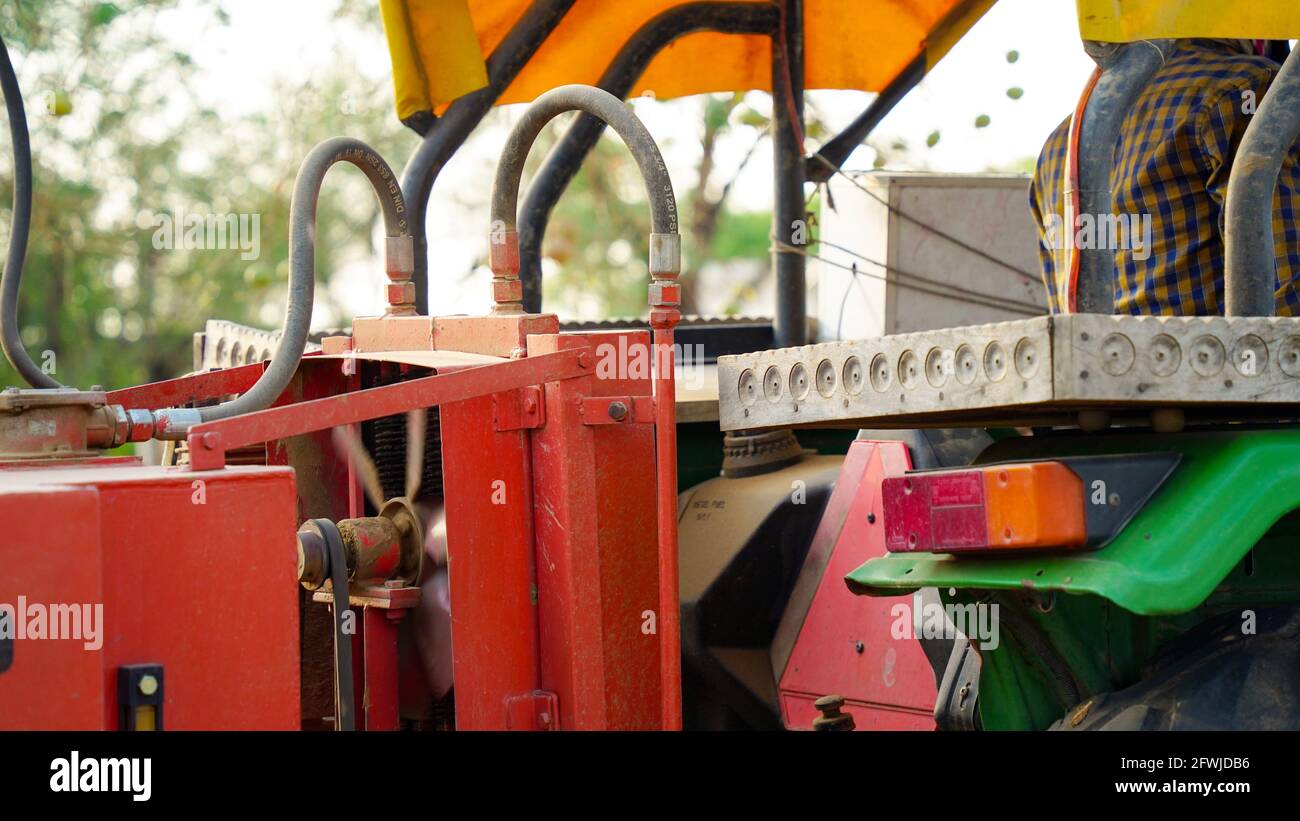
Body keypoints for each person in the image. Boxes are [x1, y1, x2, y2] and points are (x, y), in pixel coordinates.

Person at [1029, 38, 1300, 316]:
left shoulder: (1060, 144)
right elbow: (1290, 298)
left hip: (1092, 357)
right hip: (1217, 358)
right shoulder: (1254, 88)